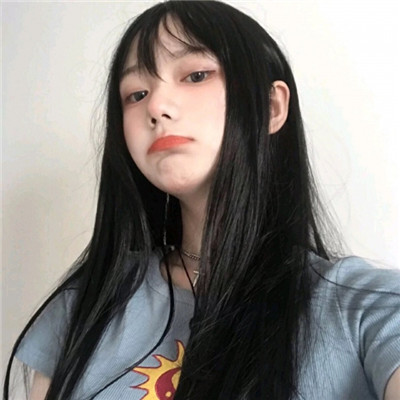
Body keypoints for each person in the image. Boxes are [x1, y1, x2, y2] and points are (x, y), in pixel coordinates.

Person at [3, 1, 400, 399]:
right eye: (136, 93)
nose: (156, 106)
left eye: (196, 75)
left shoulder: (366, 307)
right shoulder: (87, 304)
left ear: (271, 106)